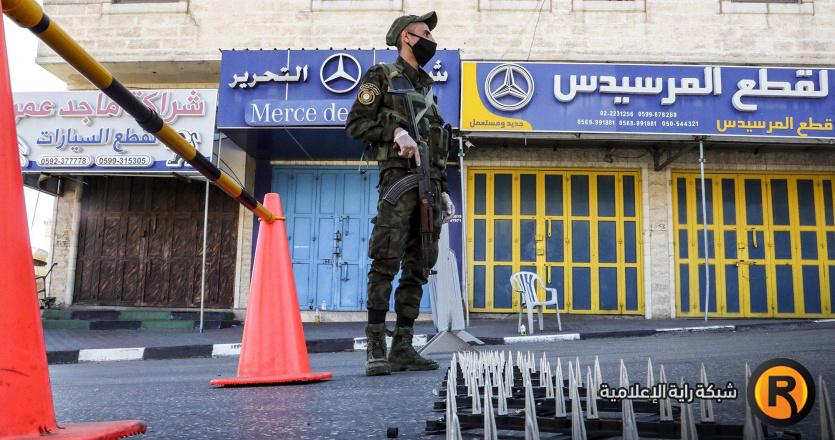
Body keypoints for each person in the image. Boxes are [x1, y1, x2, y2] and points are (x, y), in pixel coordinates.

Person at [345, 11, 455, 376]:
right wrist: (395, 132)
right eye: (425, 33)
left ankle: (403, 346)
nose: (431, 40)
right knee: (385, 260)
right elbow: (356, 123)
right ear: (407, 37)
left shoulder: (427, 89)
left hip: (430, 186)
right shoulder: (381, 76)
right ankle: (376, 345)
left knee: (419, 266)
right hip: (398, 181)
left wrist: (443, 190)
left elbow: (435, 145)